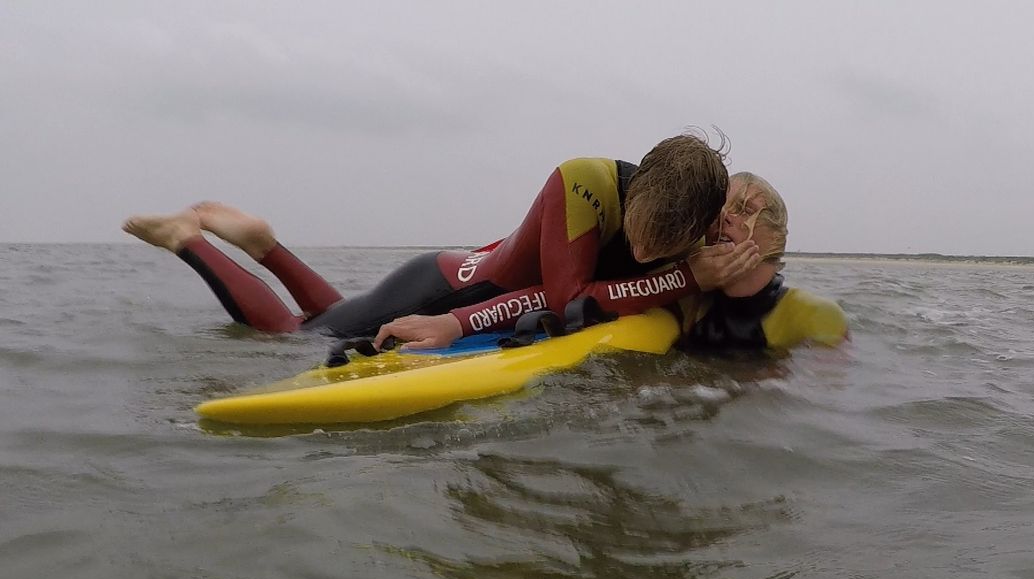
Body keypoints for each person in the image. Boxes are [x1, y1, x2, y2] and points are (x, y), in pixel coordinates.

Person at [122, 133, 761, 349]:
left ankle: (265, 246)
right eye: (640, 237)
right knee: (296, 338)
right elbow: (566, 300)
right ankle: (189, 239)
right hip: (446, 284)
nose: (646, 253)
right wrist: (455, 323)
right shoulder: (584, 183)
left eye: (666, 245)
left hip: (466, 285)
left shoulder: (705, 216)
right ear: (638, 185)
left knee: (333, 318)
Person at [677, 172, 849, 351]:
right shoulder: (687, 306)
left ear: (775, 235)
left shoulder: (816, 315)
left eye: (745, 210)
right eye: (717, 209)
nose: (724, 217)